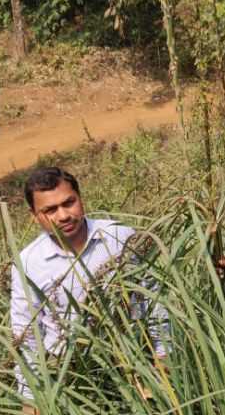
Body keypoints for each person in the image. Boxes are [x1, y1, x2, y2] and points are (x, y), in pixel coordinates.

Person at [10, 166, 163, 400]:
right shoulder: (27, 263)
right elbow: (27, 334)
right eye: (50, 210)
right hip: (73, 379)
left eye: (69, 203)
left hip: (135, 364)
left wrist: (163, 356)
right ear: (34, 216)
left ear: (80, 199)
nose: (63, 216)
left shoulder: (119, 237)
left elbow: (154, 298)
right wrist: (32, 398)